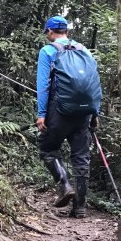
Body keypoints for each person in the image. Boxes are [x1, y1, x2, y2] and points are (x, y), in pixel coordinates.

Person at [36, 15, 102, 218]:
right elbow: (94, 82)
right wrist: (95, 112)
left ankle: (64, 184)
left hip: (59, 111)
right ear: (66, 31)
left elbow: (43, 85)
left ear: (50, 32)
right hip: (84, 113)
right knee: (81, 158)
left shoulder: (48, 51)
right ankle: (80, 207)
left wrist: (41, 114)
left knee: (48, 149)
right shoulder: (84, 51)